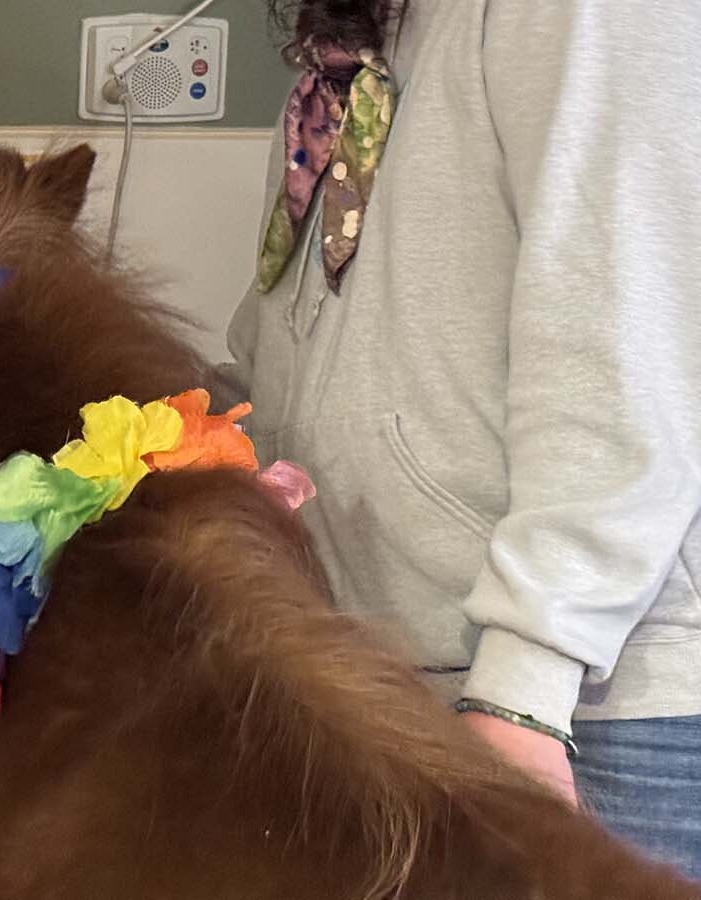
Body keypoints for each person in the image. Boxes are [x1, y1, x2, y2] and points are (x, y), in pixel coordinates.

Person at [225, 0, 701, 876]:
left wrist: (526, 688)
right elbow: (287, 378)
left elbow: (626, 361)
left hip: (592, 720)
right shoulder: (359, 51)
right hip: (412, 687)